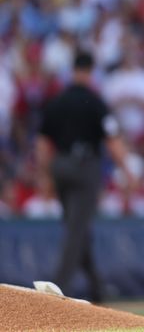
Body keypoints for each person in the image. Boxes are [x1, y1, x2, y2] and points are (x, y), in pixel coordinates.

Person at [36, 50, 132, 302]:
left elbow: (43, 144)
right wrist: (128, 171)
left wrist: (46, 176)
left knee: (76, 227)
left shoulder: (57, 102)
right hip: (85, 167)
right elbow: (113, 141)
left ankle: (98, 289)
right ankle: (57, 290)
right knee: (76, 230)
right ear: (90, 71)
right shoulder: (96, 102)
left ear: (73, 70)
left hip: (60, 165)